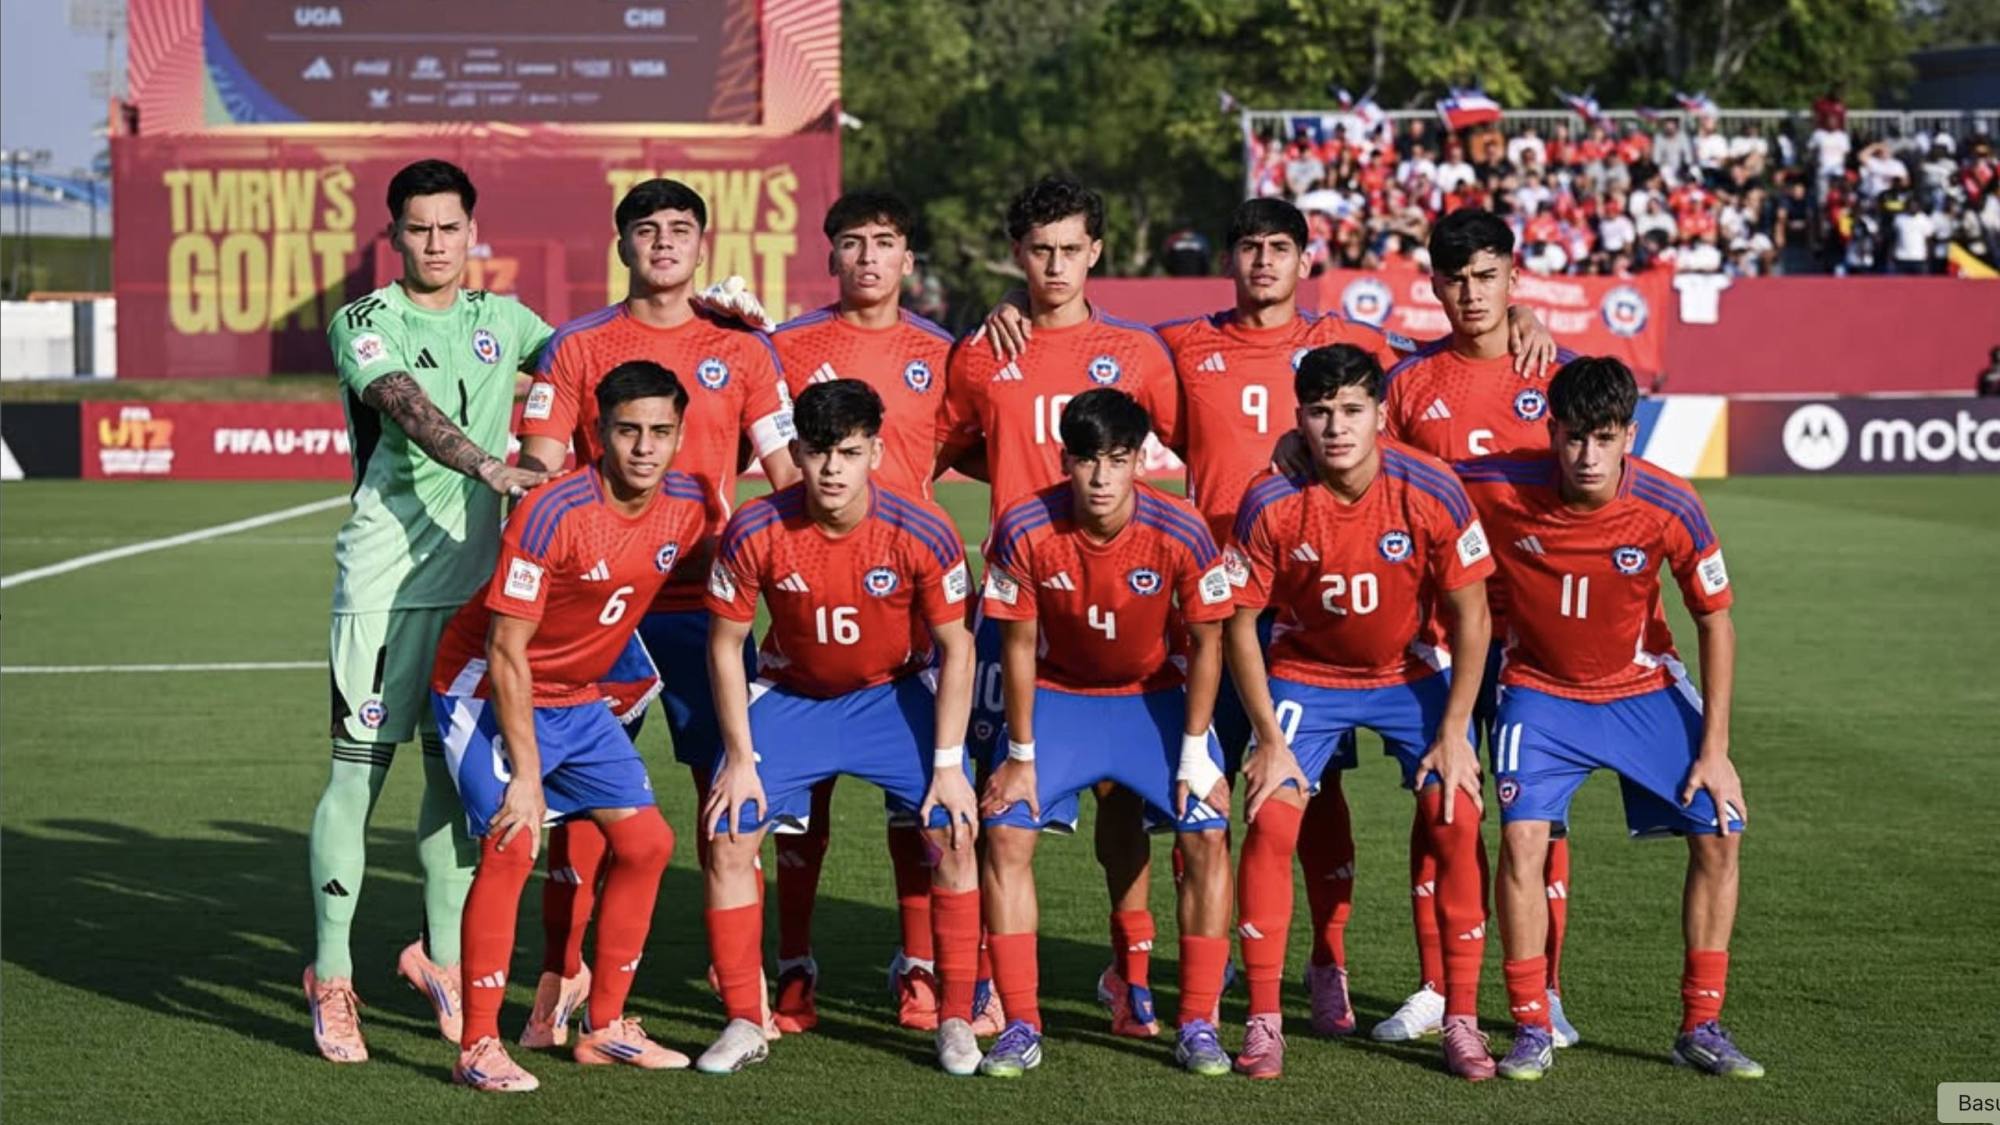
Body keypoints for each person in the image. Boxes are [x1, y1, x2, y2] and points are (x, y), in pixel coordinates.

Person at [513, 178, 800, 1044]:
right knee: (585, 812)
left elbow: (786, 481)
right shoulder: (577, 344)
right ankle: (562, 979)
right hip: (601, 612)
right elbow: (539, 467)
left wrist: (793, 587)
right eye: (647, 229)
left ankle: (739, 990)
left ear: (702, 246)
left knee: (729, 799)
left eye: (681, 230)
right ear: (623, 244)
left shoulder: (744, 351)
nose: (664, 243)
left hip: (713, 611)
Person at [308, 158, 554, 1063]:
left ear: (471, 233)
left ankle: (440, 958)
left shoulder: (506, 319)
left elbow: (591, 359)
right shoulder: (365, 321)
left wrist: (707, 321)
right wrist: (485, 462)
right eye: (420, 228)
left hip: (477, 595)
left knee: (456, 785)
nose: (437, 242)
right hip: (384, 587)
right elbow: (402, 406)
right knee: (357, 776)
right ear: (396, 234)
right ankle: (331, 975)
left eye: (451, 227)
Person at [1458, 356, 1761, 1082]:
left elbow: (1715, 620)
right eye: (1572, 438)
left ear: (1629, 432)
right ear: (1550, 430)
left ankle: (1701, 1023)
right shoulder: (1497, 484)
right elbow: (1398, 469)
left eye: (1603, 437)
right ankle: (1532, 1023)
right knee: (1522, 840)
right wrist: (1292, 450)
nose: (1587, 456)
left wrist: (1714, 749)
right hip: (1539, 693)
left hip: (1642, 689)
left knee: (1720, 829)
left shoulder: (1670, 503)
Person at [939, 176, 1183, 1041]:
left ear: (1097, 252)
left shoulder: (1140, 353)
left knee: (1126, 804)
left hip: (1126, 608)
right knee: (997, 801)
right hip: (1018, 614)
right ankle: (993, 988)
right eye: (1038, 250)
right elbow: (943, 444)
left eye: (1070, 248)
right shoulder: (980, 352)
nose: (1054, 265)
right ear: (1017, 254)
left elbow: (1204, 440)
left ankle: (1132, 970)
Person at [428, 360, 709, 1091]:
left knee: (648, 842)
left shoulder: (688, 506)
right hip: (486, 687)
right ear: (598, 433)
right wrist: (527, 778)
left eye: (661, 432)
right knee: (515, 839)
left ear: (680, 435)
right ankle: (478, 1046)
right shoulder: (552, 510)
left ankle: (606, 1026)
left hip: (579, 696)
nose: (645, 447)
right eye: (627, 431)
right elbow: (504, 649)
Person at [695, 379, 984, 1076]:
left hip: (891, 695)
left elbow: (958, 648)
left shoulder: (923, 528)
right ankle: (744, 1017)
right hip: (792, 693)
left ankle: (954, 1018)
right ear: (795, 450)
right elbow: (725, 643)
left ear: (876, 453)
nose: (831, 468)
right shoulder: (756, 525)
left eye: (849, 452)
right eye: (819, 451)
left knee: (953, 826)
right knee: (729, 828)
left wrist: (948, 763)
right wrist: (739, 755)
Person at [1226, 344, 1496, 1081]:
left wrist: (1453, 731)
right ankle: (1263, 1021)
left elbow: (1473, 616)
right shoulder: (1270, 497)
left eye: (1351, 410)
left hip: (1408, 670)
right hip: (1305, 671)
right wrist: (1270, 739)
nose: (1336, 426)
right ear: (1299, 419)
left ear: (1381, 413)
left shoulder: (1431, 488)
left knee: (1457, 813)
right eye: (1319, 412)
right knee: (1273, 814)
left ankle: (1462, 1018)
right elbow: (1239, 621)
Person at [973, 388, 1237, 1078]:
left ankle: (1200, 1021)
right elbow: (1019, 644)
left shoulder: (1180, 526)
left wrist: (1195, 754)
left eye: (1117, 460)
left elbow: (1209, 642)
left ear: (1140, 460)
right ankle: (1021, 1020)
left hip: (1155, 698)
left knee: (1207, 829)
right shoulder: (1025, 525)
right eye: (1087, 460)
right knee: (1004, 825)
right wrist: (1022, 756)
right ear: (1065, 459)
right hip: (1060, 697)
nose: (1100, 477)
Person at [1375, 207, 1582, 1049]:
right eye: (1456, 278)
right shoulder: (1406, 384)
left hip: (1532, 632)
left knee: (1540, 816)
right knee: (1443, 807)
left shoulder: (1558, 375)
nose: (1472, 292)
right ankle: (1436, 984)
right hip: (1435, 630)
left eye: (1487, 275)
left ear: (1513, 277)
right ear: (1435, 285)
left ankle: (1547, 992)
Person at [762, 191, 962, 1032]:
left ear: (908, 258)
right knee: (795, 809)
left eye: (885, 242)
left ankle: (919, 967)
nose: (870, 258)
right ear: (830, 256)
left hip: (908, 608)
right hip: (805, 600)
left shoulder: (946, 355)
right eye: (852, 243)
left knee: (917, 808)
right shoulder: (784, 347)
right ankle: (795, 964)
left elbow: (998, 441)